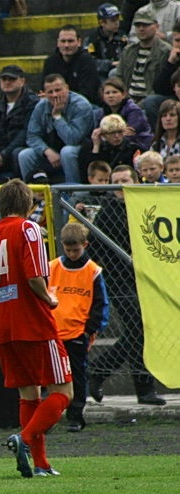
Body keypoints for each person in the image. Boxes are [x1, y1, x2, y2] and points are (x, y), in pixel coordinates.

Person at [0, 178, 74, 479]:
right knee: (64, 390)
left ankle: (41, 463)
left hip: (3, 325)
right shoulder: (28, 228)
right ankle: (26, 439)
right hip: (33, 322)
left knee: (28, 393)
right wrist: (50, 298)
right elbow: (35, 277)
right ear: (28, 204)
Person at [88, 164, 166, 405]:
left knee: (139, 331)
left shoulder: (145, 206)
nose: (121, 187)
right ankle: (144, 390)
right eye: (116, 182)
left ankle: (98, 371)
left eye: (125, 181)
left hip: (146, 278)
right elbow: (95, 249)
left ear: (136, 181)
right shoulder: (108, 211)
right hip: (119, 281)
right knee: (138, 330)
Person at [49, 222, 109, 433]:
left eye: (76, 250)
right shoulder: (53, 267)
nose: (73, 254)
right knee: (51, 377)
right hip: (53, 333)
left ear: (85, 245)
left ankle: (75, 416)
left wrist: (89, 330)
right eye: (68, 250)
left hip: (77, 333)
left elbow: (100, 304)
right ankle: (48, 417)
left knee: (77, 375)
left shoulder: (92, 271)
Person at [19, 74, 95, 183]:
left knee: (67, 152)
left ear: (67, 88)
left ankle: (73, 192)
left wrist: (57, 117)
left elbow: (72, 139)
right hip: (51, 149)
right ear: (44, 93)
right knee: (25, 155)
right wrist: (47, 151)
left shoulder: (81, 106)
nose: (54, 95)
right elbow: (32, 136)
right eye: (50, 92)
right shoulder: (41, 106)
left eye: (58, 90)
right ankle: (31, 194)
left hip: (80, 148)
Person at [115, 7, 171, 104]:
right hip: (129, 97)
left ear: (156, 27)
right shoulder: (128, 50)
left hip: (150, 99)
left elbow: (162, 86)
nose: (141, 29)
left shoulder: (165, 51)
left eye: (145, 25)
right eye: (138, 25)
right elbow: (119, 77)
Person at [40, 24, 101, 105]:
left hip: (82, 105)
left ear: (79, 42)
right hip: (54, 103)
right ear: (58, 43)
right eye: (63, 41)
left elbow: (88, 93)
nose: (66, 45)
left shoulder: (87, 61)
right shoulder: (50, 61)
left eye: (70, 41)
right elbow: (44, 90)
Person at [94, 77, 153, 149]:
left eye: (114, 92)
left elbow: (129, 134)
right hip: (113, 144)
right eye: (107, 93)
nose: (111, 96)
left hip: (138, 145)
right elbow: (99, 133)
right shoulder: (101, 113)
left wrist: (108, 133)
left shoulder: (133, 110)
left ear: (123, 94)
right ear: (103, 96)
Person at [78, 113, 143, 176]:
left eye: (120, 132)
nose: (117, 136)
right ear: (103, 134)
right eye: (112, 133)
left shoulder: (133, 148)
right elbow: (89, 174)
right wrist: (96, 147)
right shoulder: (89, 148)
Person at [84, 3, 128, 81]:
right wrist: (111, 64)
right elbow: (89, 62)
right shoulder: (92, 39)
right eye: (113, 20)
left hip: (121, 73)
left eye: (118, 19)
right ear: (102, 23)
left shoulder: (123, 36)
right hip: (99, 76)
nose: (117, 23)